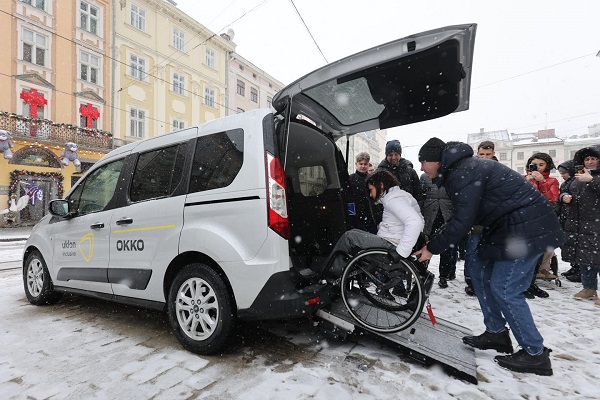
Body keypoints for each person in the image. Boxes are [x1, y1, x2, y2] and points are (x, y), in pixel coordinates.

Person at [414, 137, 564, 376]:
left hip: (525, 228)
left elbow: (463, 221)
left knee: (505, 289)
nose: (421, 168)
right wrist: (432, 241)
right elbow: (463, 218)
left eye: (423, 162)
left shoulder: (463, 172)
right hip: (505, 227)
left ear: (434, 160)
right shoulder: (460, 170)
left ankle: (535, 354)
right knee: (479, 274)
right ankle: (496, 334)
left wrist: (432, 249)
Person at [327, 170, 424, 278]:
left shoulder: (392, 199)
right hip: (394, 240)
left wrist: (401, 252)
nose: (370, 194)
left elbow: (415, 222)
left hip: (391, 244)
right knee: (354, 232)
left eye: (371, 189)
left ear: (381, 185)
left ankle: (331, 274)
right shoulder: (401, 195)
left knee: (349, 237)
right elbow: (420, 219)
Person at [559, 146, 600, 307]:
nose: (589, 162)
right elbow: (565, 190)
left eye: (593, 159)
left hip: (596, 224)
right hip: (580, 225)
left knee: (597, 258)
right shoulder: (578, 177)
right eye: (586, 159)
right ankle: (589, 288)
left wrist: (592, 181)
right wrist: (564, 197)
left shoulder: (590, 178)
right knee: (585, 259)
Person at [522, 152, 560, 298]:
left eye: (541, 164)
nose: (537, 167)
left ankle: (530, 283)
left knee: (537, 255)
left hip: (541, 221)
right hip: (524, 220)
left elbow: (552, 199)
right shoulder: (524, 179)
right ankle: (523, 284)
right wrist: (528, 180)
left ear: (547, 166)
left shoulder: (551, 181)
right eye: (534, 164)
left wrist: (542, 183)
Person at [463, 140, 497, 296]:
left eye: (488, 154)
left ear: (493, 154)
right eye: (482, 154)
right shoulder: (471, 170)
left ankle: (487, 279)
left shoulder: (500, 170)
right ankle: (471, 280)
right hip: (475, 218)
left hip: (494, 219)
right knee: (472, 250)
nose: (484, 157)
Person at [419, 173, 457, 288]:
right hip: (430, 215)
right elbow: (421, 196)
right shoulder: (425, 176)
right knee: (425, 244)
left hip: (446, 215)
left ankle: (443, 276)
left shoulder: (451, 175)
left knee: (446, 248)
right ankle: (421, 274)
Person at [555, 160, 580, 282]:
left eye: (564, 173)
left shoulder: (577, 182)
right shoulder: (565, 184)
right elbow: (560, 200)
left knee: (575, 245)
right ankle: (574, 267)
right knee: (566, 244)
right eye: (561, 173)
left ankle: (579, 270)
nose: (562, 175)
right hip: (565, 218)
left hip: (575, 218)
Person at [348, 152, 378, 234]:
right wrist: (351, 214)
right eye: (361, 164)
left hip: (370, 215)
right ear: (356, 164)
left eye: (365, 164)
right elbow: (348, 198)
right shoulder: (350, 179)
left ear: (368, 164)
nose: (363, 166)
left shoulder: (372, 179)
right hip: (356, 216)